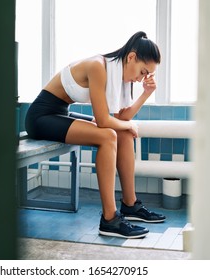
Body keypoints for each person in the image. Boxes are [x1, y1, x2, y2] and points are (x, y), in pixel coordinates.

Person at [25, 31, 165, 239]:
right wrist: (127, 125)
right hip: (41, 117)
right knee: (109, 135)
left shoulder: (122, 74)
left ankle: (130, 204)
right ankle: (109, 219)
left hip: (60, 113)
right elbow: (103, 121)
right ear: (132, 57)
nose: (141, 78)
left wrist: (145, 93)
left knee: (123, 133)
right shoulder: (98, 66)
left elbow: (123, 117)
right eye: (143, 72)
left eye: (146, 75)